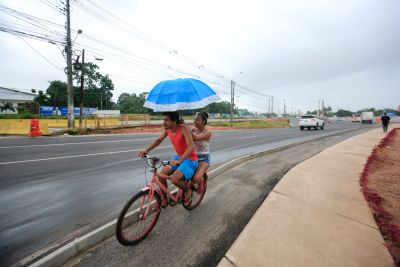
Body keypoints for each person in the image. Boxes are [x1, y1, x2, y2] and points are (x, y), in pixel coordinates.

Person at [137, 112, 198, 206]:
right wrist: (146, 150)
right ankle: (164, 200)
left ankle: (187, 190)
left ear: (174, 121)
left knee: (175, 179)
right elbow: (158, 140)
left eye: (166, 120)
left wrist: (180, 160)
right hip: (178, 157)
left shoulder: (183, 129)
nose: (163, 122)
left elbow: (191, 147)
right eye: (163, 120)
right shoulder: (167, 129)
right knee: (161, 176)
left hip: (190, 159)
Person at [189, 112, 212, 194]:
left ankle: (202, 181)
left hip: (204, 159)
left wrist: (188, 130)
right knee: (185, 175)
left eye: (197, 120)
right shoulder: (193, 130)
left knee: (197, 178)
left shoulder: (207, 133)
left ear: (203, 121)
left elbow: (195, 138)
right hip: (193, 157)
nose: (195, 121)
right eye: (194, 119)